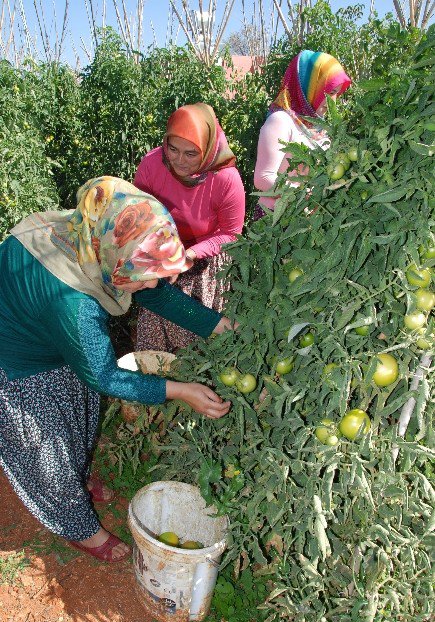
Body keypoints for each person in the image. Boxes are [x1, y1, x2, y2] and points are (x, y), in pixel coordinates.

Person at [0, 176, 235, 563]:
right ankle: (79, 527)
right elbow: (103, 376)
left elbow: (155, 288)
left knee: (76, 413)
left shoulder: (97, 240)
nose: (156, 280)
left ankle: (78, 476)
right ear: (119, 263)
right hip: (16, 354)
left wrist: (218, 325)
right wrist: (179, 389)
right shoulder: (75, 303)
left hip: (47, 330)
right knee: (47, 449)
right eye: (146, 274)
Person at [133, 102, 245, 352]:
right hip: (160, 253)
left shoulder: (225, 179)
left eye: (191, 154)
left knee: (193, 328)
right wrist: (163, 252)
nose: (179, 161)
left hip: (206, 259)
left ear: (207, 150)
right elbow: (138, 214)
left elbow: (231, 234)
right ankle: (161, 384)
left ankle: (193, 385)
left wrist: (189, 255)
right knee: (156, 321)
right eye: (173, 149)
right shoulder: (152, 165)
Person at [253, 50, 352, 220]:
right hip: (275, 223)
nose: (332, 101)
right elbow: (263, 178)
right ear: (310, 85)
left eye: (336, 93)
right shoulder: (281, 121)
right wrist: (303, 194)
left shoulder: (321, 127)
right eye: (328, 92)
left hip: (306, 225)